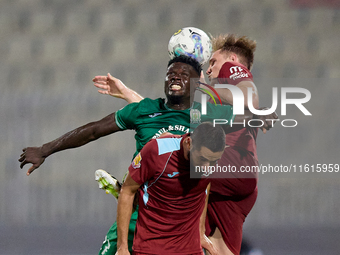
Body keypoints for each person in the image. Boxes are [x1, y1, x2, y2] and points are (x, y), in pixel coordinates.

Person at [20, 55, 258, 254]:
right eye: (171, 74)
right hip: (139, 216)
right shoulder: (144, 110)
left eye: (185, 75)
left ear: (196, 84)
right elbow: (93, 130)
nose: (175, 76)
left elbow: (250, 111)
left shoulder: (206, 115)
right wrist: (45, 149)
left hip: (179, 225)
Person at [95, 34, 276, 255]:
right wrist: (128, 94)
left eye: (213, 62)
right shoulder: (209, 107)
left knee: (165, 170)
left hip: (229, 168)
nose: (209, 70)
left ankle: (138, 194)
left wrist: (198, 86)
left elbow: (249, 100)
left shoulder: (231, 70)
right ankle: (139, 193)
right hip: (238, 187)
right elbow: (166, 116)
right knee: (216, 247)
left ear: (232, 58)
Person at [116, 122, 225, 255]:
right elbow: (127, 191)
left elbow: (203, 188)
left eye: (213, 161)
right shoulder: (158, 150)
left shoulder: (211, 160)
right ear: (189, 143)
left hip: (191, 249)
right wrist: (122, 247)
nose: (207, 168)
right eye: (202, 159)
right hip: (152, 248)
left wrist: (201, 233)